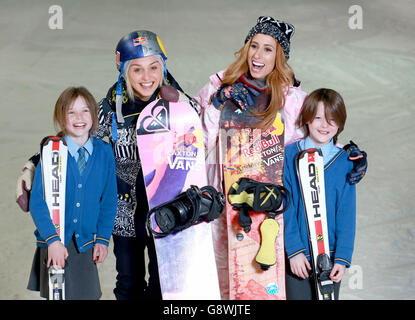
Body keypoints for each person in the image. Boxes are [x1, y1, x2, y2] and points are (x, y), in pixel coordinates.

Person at [193, 16, 367, 299]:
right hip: (229, 199)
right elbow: (198, 141)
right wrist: (216, 104)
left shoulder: (293, 98)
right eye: (254, 46)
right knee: (229, 279)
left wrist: (347, 154)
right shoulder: (219, 85)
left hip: (272, 204)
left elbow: (312, 141)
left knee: (264, 283)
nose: (258, 56)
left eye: (268, 49)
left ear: (279, 56)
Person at [18, 30, 196, 300]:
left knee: (165, 284)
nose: (146, 77)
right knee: (128, 282)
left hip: (166, 210)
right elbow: (76, 137)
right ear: (124, 70)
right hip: (124, 213)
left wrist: (186, 106)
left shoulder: (180, 105)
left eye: (153, 67)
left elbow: (207, 137)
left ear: (164, 67)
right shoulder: (109, 109)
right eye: (137, 69)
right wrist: (35, 163)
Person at [27, 86, 118, 300]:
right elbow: (38, 202)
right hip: (55, 245)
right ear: (61, 117)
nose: (79, 117)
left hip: (85, 243)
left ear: (94, 115)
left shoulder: (104, 153)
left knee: (88, 295)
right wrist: (52, 241)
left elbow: (109, 201)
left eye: (85, 110)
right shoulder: (51, 152)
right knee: (58, 296)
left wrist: (103, 239)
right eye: (71, 112)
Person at [283, 88, 356, 300]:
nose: (324, 126)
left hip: (330, 259)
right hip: (299, 258)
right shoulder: (290, 155)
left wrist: (341, 258)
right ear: (306, 119)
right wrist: (294, 250)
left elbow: (346, 214)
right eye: (318, 118)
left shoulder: (344, 163)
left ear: (340, 123)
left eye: (332, 120)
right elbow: (287, 206)